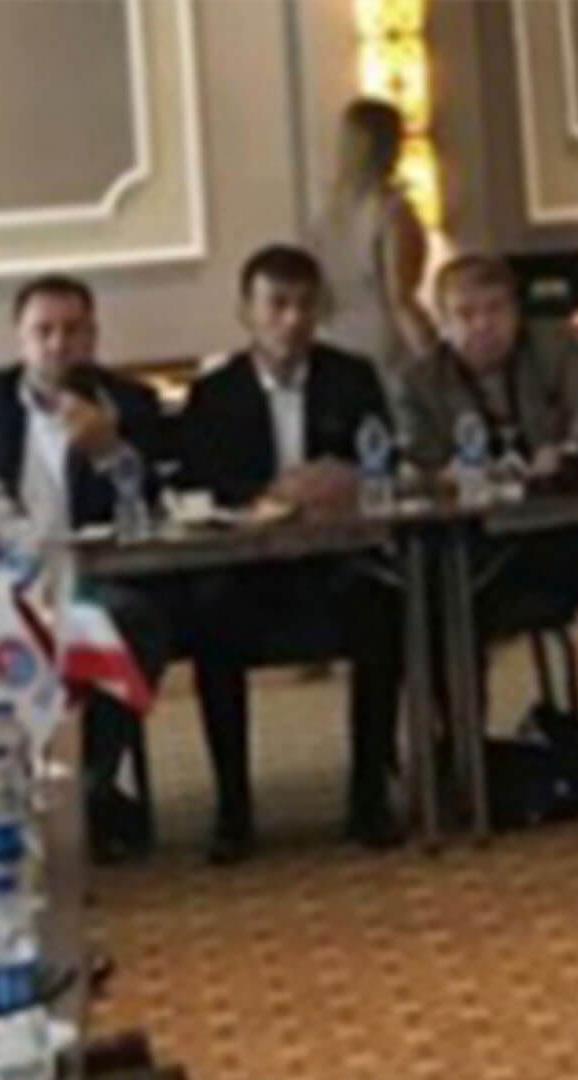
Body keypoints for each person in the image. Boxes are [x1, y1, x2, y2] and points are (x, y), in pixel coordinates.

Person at [0, 274, 174, 861]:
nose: (59, 345)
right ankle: (21, 789)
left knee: (133, 622)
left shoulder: (130, 402)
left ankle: (88, 784)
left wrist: (110, 451)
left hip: (88, 580)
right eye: (44, 331)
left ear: (94, 336)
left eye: (73, 331)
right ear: (20, 339)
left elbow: (156, 508)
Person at [178, 246, 403, 863]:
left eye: (305, 305)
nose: (292, 320)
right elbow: (198, 485)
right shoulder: (214, 394)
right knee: (212, 618)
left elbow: (384, 462)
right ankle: (233, 806)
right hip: (250, 566)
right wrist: (272, 494)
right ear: (247, 313)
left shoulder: (352, 378)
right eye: (277, 305)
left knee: (383, 605)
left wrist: (350, 479)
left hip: (338, 558)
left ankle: (369, 795)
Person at [399, 254, 578, 771]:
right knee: (440, 603)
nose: (483, 325)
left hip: (559, 526)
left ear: (518, 312)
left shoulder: (554, 348)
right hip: (475, 543)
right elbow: (414, 464)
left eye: (495, 309)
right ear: (443, 323)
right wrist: (449, 475)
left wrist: (564, 452)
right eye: (466, 314)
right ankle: (464, 752)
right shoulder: (421, 380)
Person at [316, 98, 435, 376]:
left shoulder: (326, 212)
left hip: (334, 339)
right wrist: (435, 361)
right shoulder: (391, 211)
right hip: (384, 342)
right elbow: (400, 300)